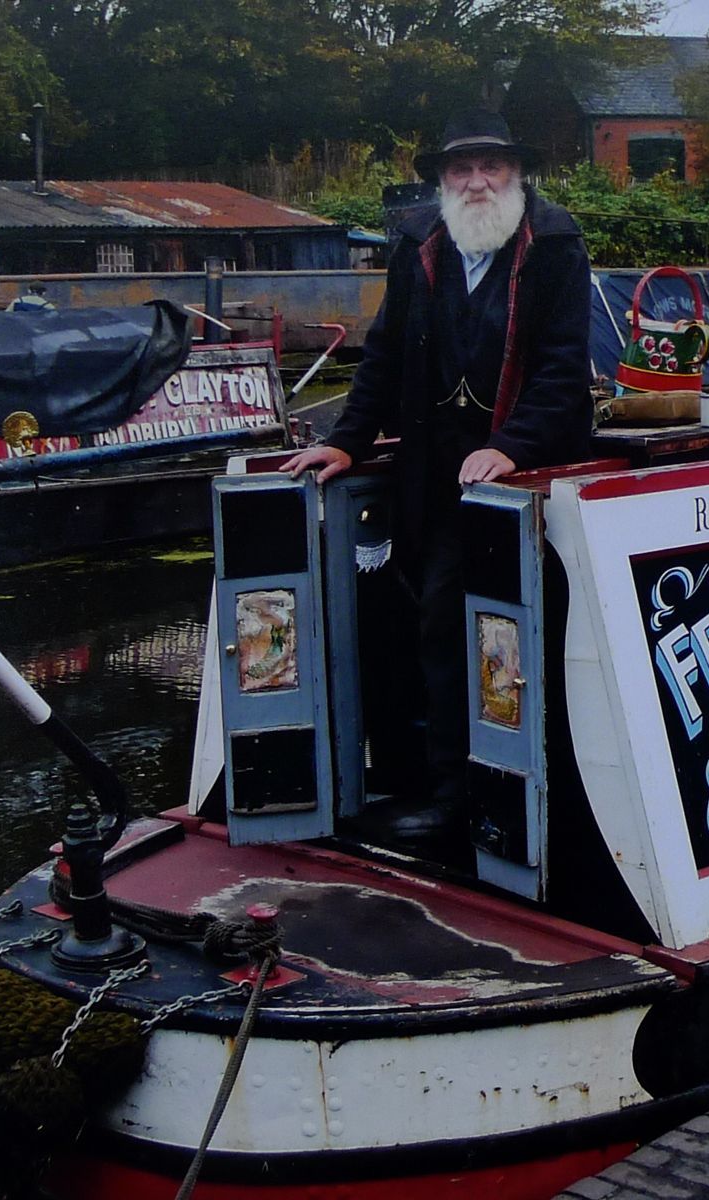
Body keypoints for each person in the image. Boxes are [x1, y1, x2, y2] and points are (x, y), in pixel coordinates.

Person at [281, 110, 594, 841]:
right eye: (463, 169)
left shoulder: (554, 245)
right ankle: (422, 777)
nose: (478, 182)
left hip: (515, 476)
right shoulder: (421, 243)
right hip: (429, 470)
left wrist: (512, 446)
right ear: (444, 180)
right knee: (421, 625)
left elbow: (562, 373)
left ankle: (461, 804)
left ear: (517, 175)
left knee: (472, 634)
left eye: (493, 168)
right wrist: (349, 442)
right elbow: (385, 354)